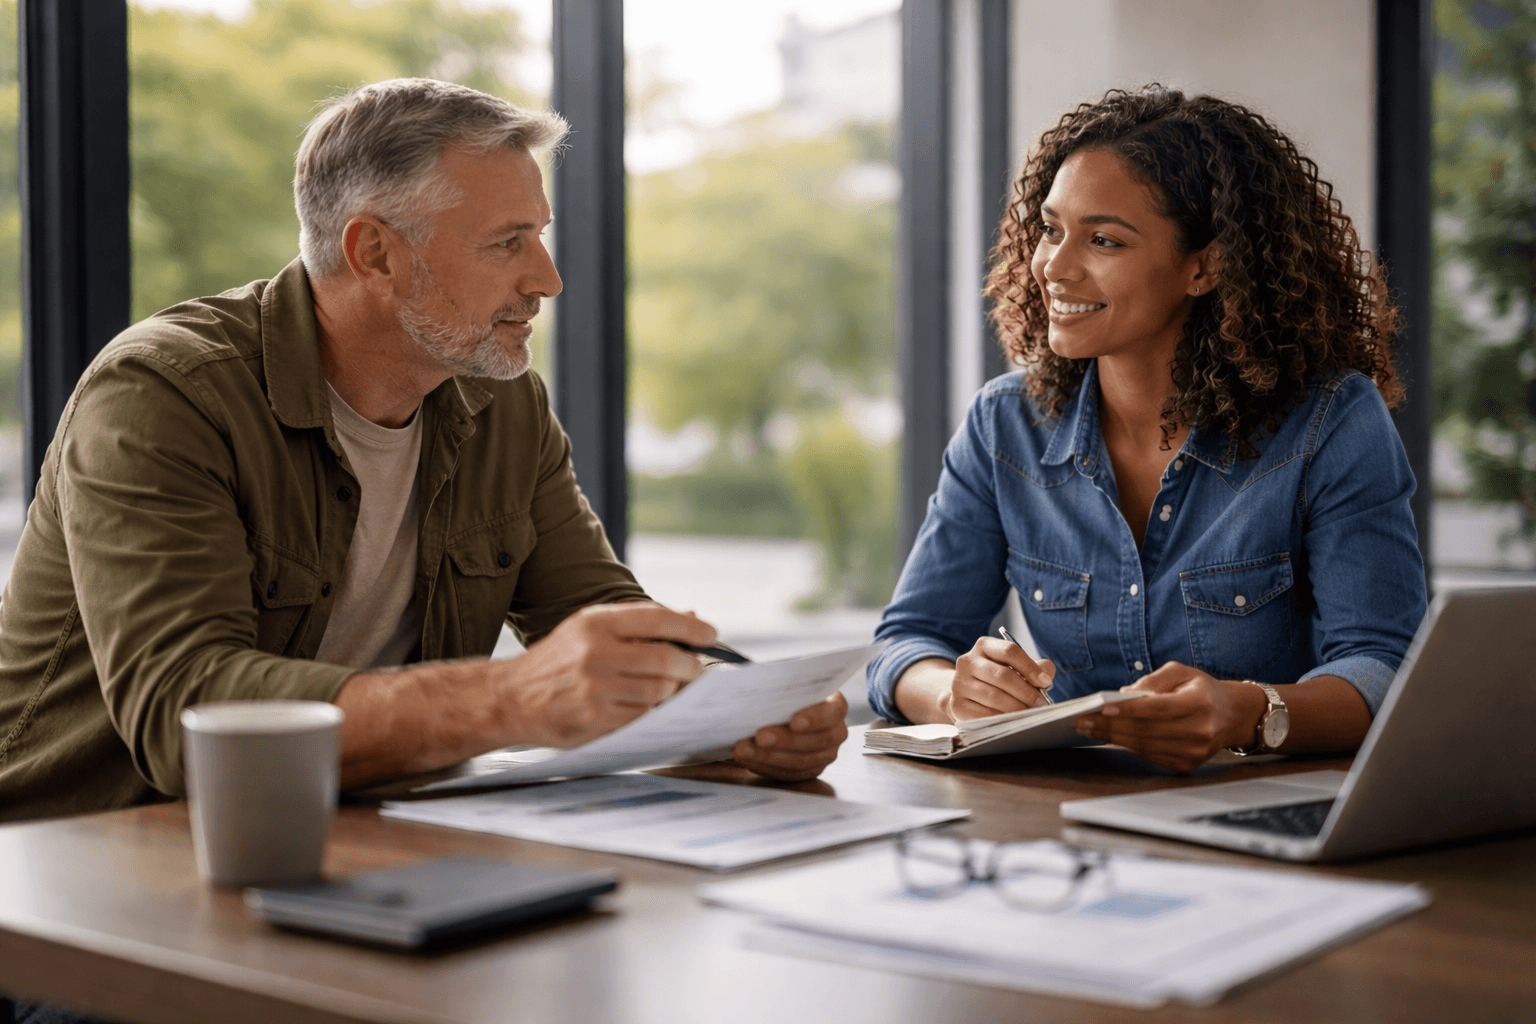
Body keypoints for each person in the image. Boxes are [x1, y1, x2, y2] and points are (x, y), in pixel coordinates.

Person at [0, 78, 847, 824]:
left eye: (539, 236)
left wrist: (738, 712)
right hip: (82, 879)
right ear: (376, 254)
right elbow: (186, 717)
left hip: (357, 838)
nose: (548, 278)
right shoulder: (164, 393)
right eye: (506, 242)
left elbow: (598, 615)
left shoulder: (503, 401)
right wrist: (509, 698)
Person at [867, 87, 1427, 772]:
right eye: (1050, 229)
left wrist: (1247, 713)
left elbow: (1384, 668)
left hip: (1257, 807)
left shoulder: (1329, 422)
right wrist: (952, 694)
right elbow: (908, 642)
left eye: (1103, 239)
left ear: (1205, 266)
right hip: (1063, 815)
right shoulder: (1002, 426)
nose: (1055, 266)